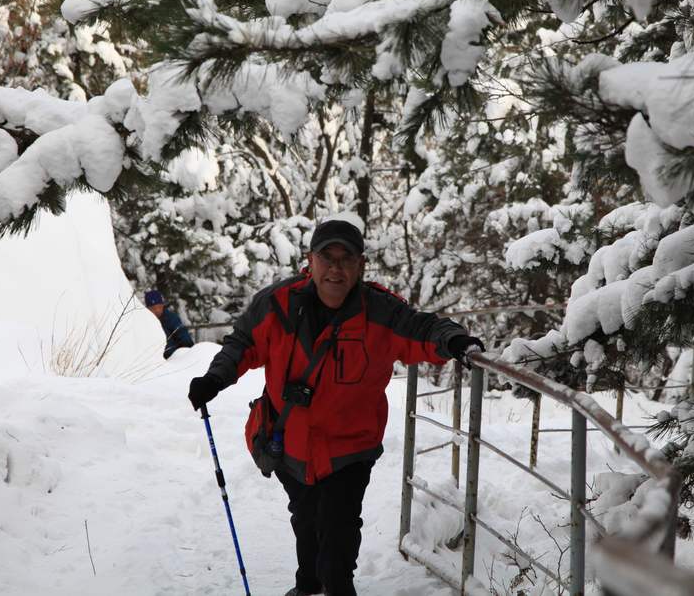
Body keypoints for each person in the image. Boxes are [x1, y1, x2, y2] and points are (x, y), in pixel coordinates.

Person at [187, 219, 484, 596]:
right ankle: (307, 584)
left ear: (360, 265)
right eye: (327, 257)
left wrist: (454, 342)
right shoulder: (277, 305)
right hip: (289, 442)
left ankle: (335, 586)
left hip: (349, 449)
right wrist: (215, 379)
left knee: (338, 532)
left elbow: (423, 329)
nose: (336, 268)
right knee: (306, 518)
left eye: (346, 259)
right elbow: (243, 342)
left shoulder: (380, 311)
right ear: (310, 261)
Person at [144, 289, 195, 359]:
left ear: (162, 305)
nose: (157, 310)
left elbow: (184, 337)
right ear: (148, 309)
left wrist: (188, 354)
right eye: (153, 308)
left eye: (159, 307)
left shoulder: (171, 318)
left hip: (174, 358)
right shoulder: (145, 322)